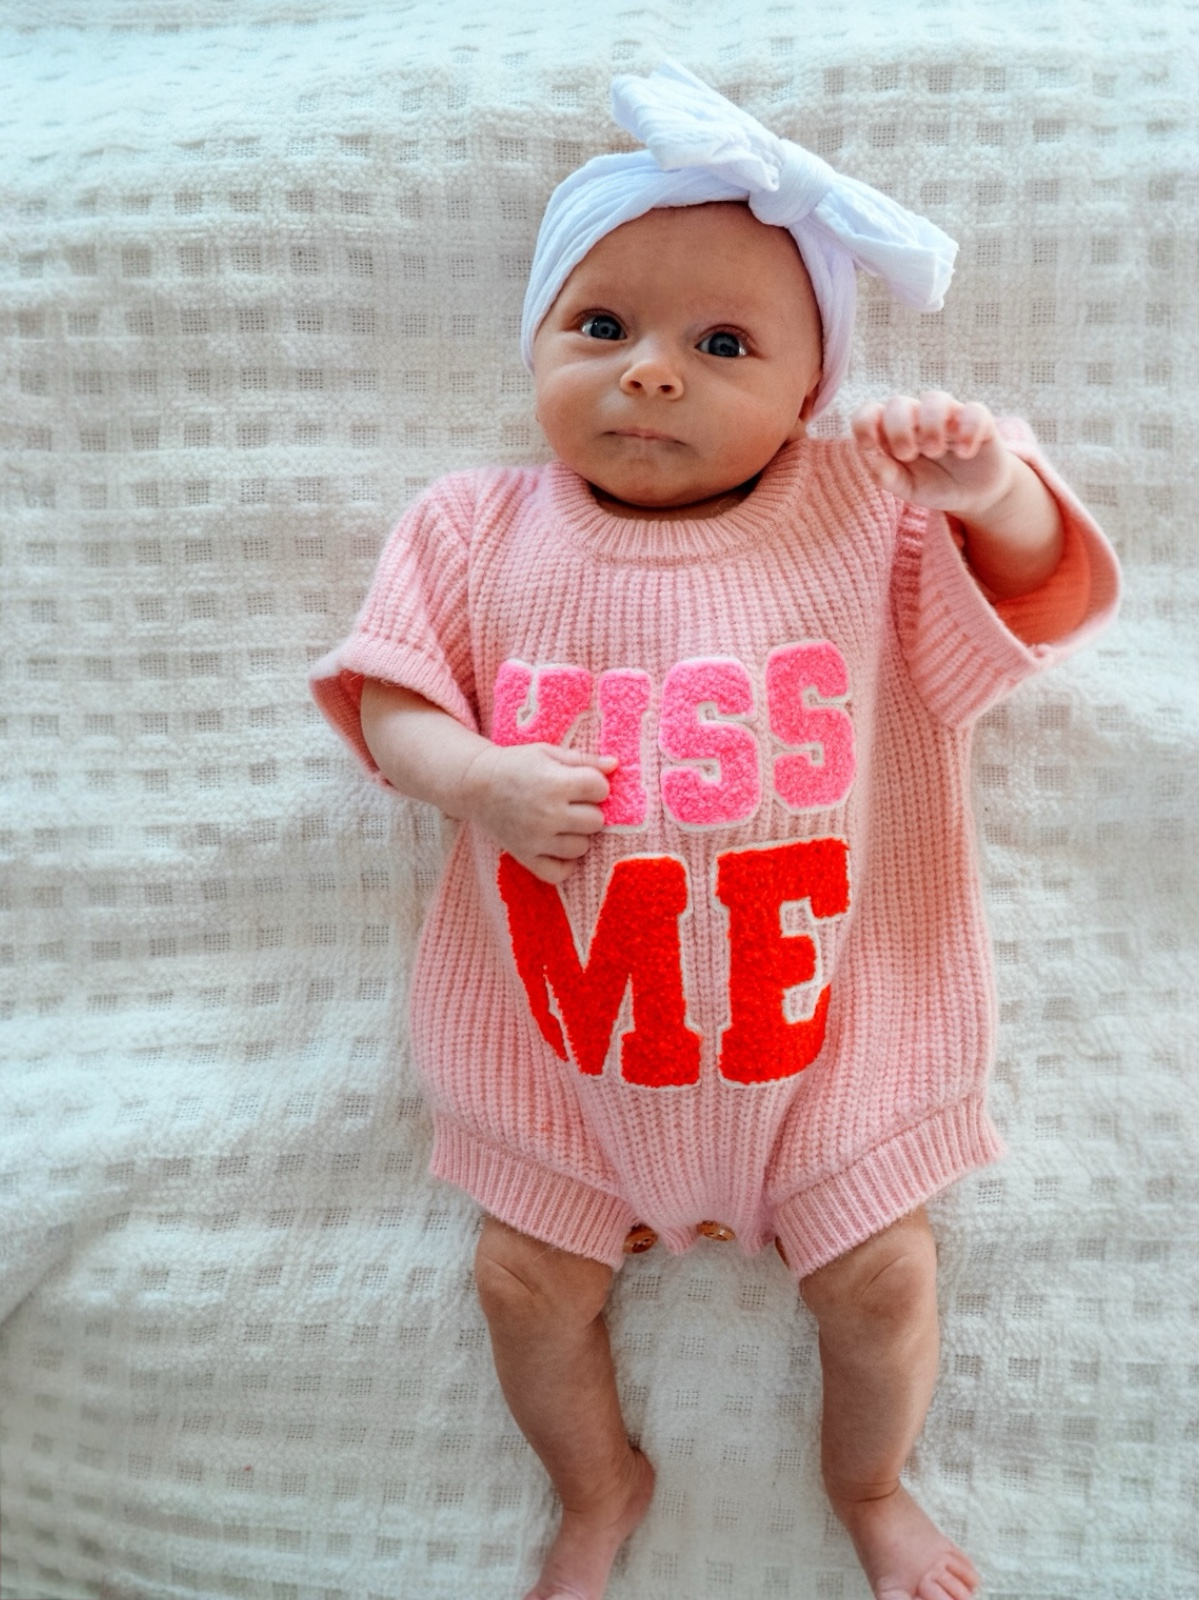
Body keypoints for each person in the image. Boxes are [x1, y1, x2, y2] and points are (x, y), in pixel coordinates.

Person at [311, 62, 1119, 1600]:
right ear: (537, 343)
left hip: (828, 1035)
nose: (652, 374)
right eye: (600, 328)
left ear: (811, 394)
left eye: (723, 343)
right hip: (567, 1035)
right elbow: (385, 701)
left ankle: (867, 1488)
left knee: (881, 1283)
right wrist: (473, 777)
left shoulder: (856, 520)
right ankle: (597, 1483)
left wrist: (989, 485)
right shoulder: (476, 528)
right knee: (517, 1284)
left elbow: (1031, 598)